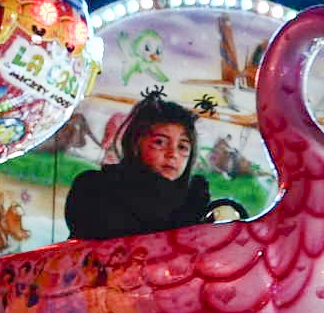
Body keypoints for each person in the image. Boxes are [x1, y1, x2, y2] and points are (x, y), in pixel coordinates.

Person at [63, 94, 218, 240]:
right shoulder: (94, 187)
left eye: (182, 147)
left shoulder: (194, 200)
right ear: (136, 144)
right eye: (160, 142)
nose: (173, 154)